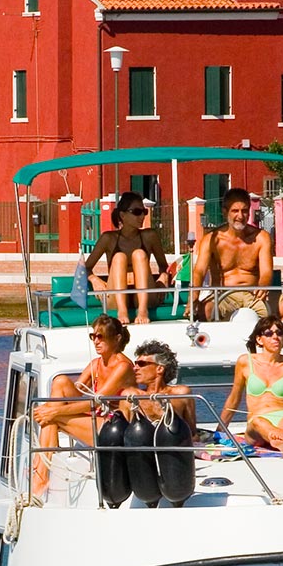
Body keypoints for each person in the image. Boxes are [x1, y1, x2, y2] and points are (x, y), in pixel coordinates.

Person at [30, 314, 136, 499]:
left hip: (113, 428)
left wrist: (54, 411)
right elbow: (77, 389)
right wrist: (53, 407)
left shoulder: (123, 366)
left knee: (51, 416)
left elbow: (96, 401)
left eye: (101, 336)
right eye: (93, 336)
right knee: (60, 381)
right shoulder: (96, 364)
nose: (96, 341)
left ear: (117, 338)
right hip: (95, 418)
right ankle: (44, 462)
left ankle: (40, 475)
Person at [192, 188, 283, 322]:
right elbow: (199, 271)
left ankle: (271, 335)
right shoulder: (211, 239)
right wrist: (194, 294)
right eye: (235, 211)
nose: (240, 216)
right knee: (204, 312)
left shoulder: (261, 237)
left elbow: (266, 272)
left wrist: (263, 285)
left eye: (245, 210)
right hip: (223, 296)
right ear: (225, 212)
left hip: (255, 295)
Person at [218, 315, 283, 454]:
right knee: (258, 422)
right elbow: (234, 399)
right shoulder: (245, 362)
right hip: (257, 421)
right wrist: (220, 430)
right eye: (269, 333)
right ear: (259, 339)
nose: (275, 337)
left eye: (279, 333)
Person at [81, 192, 170, 325]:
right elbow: (85, 268)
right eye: (136, 212)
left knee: (139, 254)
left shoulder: (150, 236)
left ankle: (142, 310)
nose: (142, 216)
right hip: (116, 296)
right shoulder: (108, 239)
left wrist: (163, 276)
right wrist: (94, 280)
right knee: (119, 257)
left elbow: (163, 265)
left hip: (144, 295)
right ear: (122, 215)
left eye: (144, 211)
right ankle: (122, 311)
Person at [121, 340, 199, 433]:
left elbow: (192, 433)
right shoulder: (130, 397)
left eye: (141, 364)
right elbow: (123, 433)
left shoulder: (181, 394)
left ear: (160, 368)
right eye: (136, 363)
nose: (135, 368)